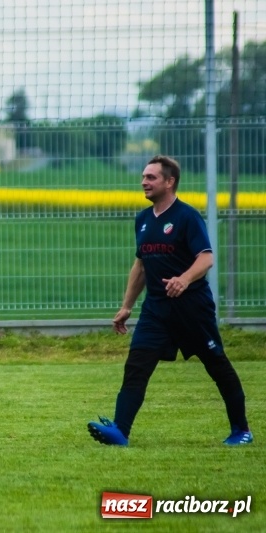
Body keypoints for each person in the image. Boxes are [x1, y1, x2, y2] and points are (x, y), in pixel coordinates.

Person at [88, 155, 253, 447]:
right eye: (143, 177)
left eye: (151, 177)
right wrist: (127, 306)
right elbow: (140, 266)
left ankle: (241, 430)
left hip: (192, 308)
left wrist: (184, 279)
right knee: (136, 365)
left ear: (169, 181)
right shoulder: (142, 219)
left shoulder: (187, 216)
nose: (144, 182)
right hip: (155, 310)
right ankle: (120, 432)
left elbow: (206, 258)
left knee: (216, 365)